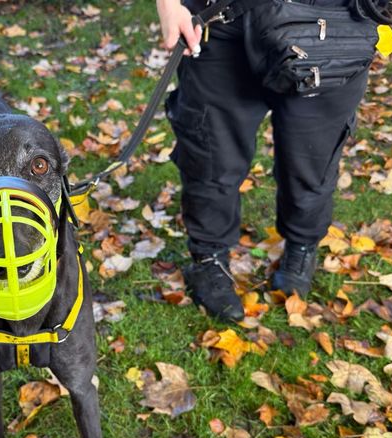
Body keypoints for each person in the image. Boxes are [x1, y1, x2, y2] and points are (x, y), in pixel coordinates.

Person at [156, 0, 371, 321]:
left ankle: (301, 247)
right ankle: (209, 258)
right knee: (211, 155)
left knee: (311, 158)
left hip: (331, 20)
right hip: (220, 18)